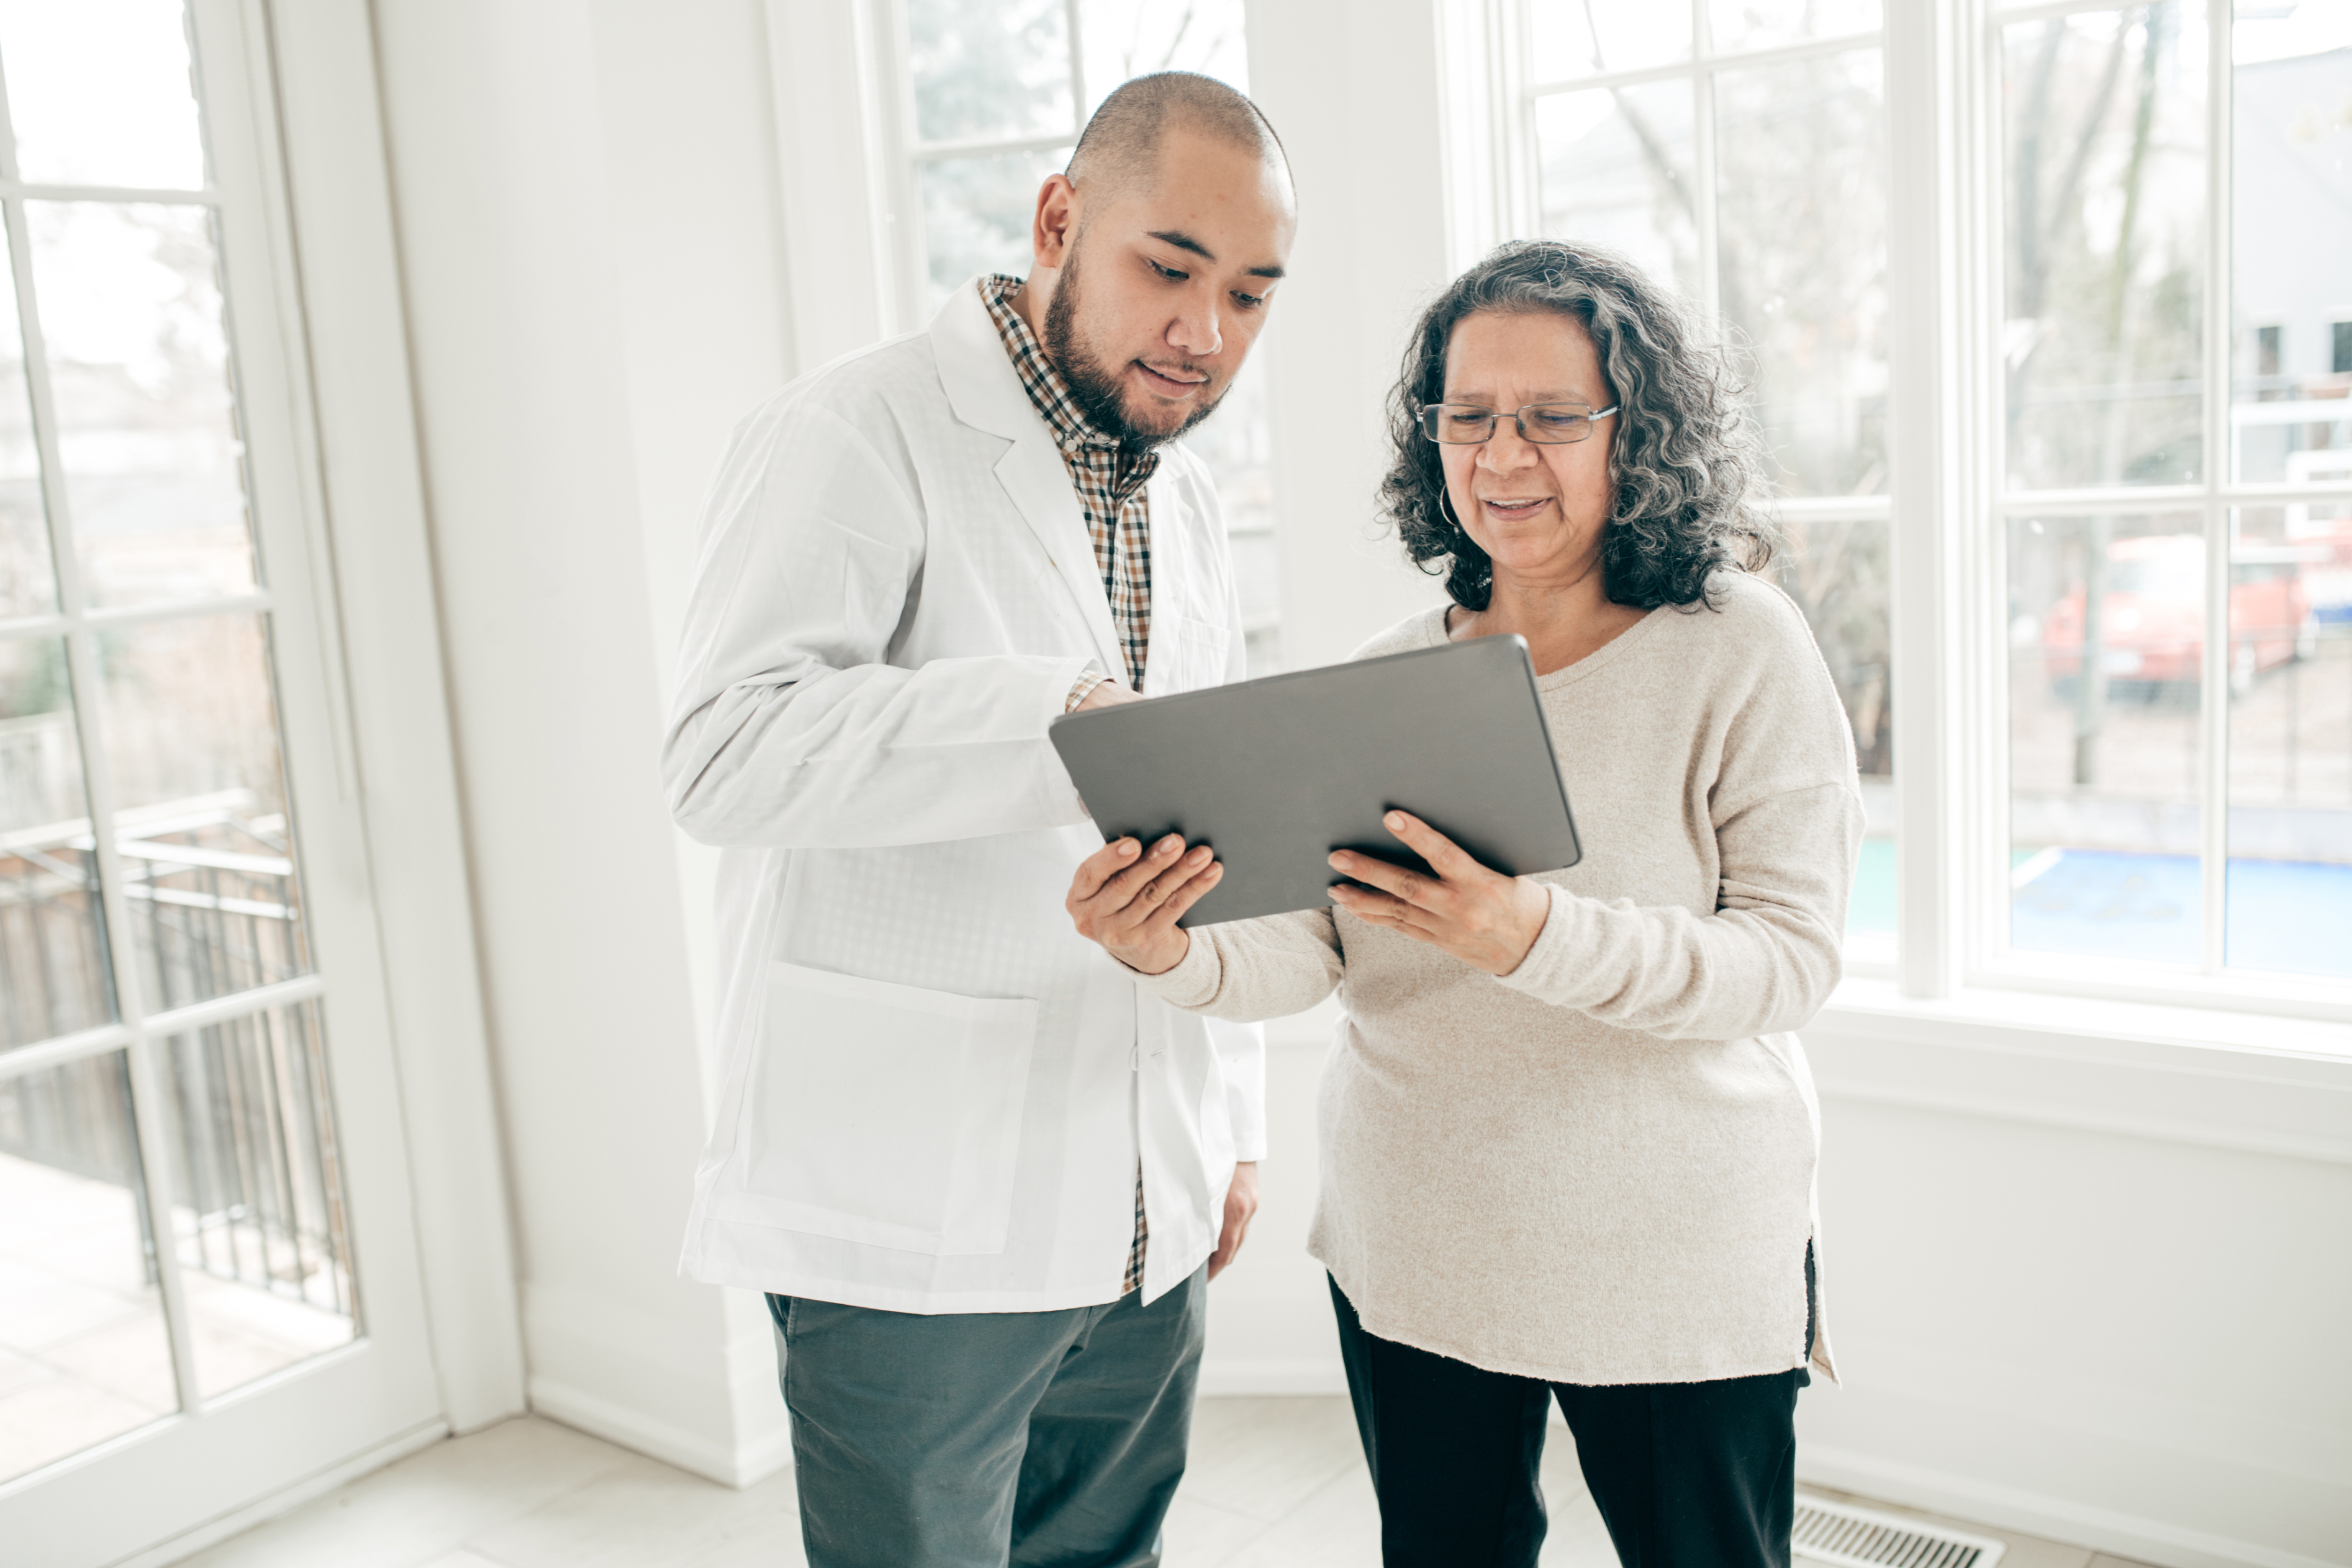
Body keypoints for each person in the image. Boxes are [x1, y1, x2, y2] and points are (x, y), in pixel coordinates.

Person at [1064, 238, 1861, 1568]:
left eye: (1552, 418)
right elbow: (1314, 948)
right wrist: (1171, 950)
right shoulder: (1388, 680)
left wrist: (1525, 935)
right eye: (1469, 418)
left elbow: (1788, 960)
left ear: (1640, 432)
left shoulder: (1739, 644)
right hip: (1421, 1234)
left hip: (1672, 1246)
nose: (1502, 458)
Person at [660, 72, 1296, 1568]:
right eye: (1169, 269)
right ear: (1060, 220)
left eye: (1251, 296)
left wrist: (1232, 1123)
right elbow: (721, 757)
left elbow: (1212, 813)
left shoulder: (1184, 501)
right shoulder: (852, 428)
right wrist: (1047, 721)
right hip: (910, 1215)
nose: (1204, 335)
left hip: (1147, 1194)